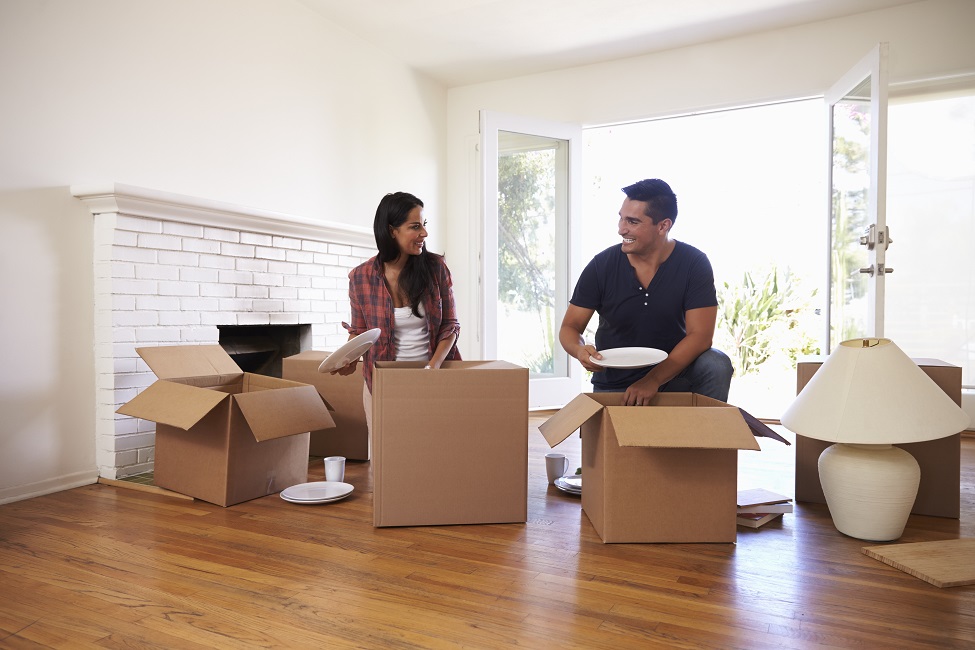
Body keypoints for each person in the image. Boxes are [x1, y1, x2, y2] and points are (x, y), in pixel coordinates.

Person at [559, 178, 732, 406]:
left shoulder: (694, 263)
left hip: (673, 376)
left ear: (663, 226)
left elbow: (700, 336)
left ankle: (705, 429)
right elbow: (570, 327)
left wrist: (653, 380)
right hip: (615, 382)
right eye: (621, 218)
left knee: (716, 364)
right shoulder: (601, 265)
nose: (621, 229)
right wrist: (579, 350)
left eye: (632, 221)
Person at [336, 191, 461, 433]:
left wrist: (432, 368)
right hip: (382, 385)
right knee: (384, 454)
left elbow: (450, 326)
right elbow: (359, 333)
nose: (424, 233)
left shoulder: (436, 268)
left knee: (432, 449)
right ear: (392, 230)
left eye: (424, 224)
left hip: (432, 379)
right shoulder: (360, 277)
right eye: (415, 226)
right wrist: (348, 358)